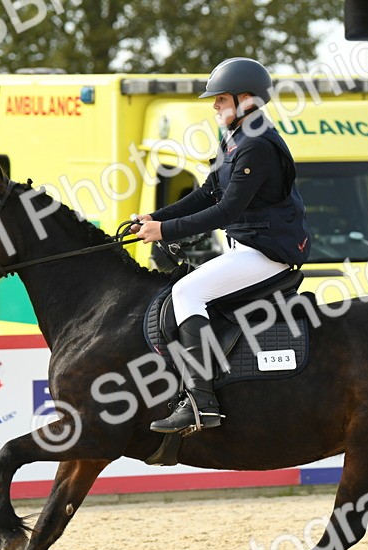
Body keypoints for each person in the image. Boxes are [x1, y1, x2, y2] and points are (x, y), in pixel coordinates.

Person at [132, 57, 311, 435]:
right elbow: (207, 192)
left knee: (187, 292)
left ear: (246, 100)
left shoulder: (257, 145)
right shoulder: (235, 137)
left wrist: (165, 231)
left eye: (221, 99)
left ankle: (201, 403)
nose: (214, 105)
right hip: (246, 246)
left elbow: (227, 209)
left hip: (266, 252)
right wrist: (154, 217)